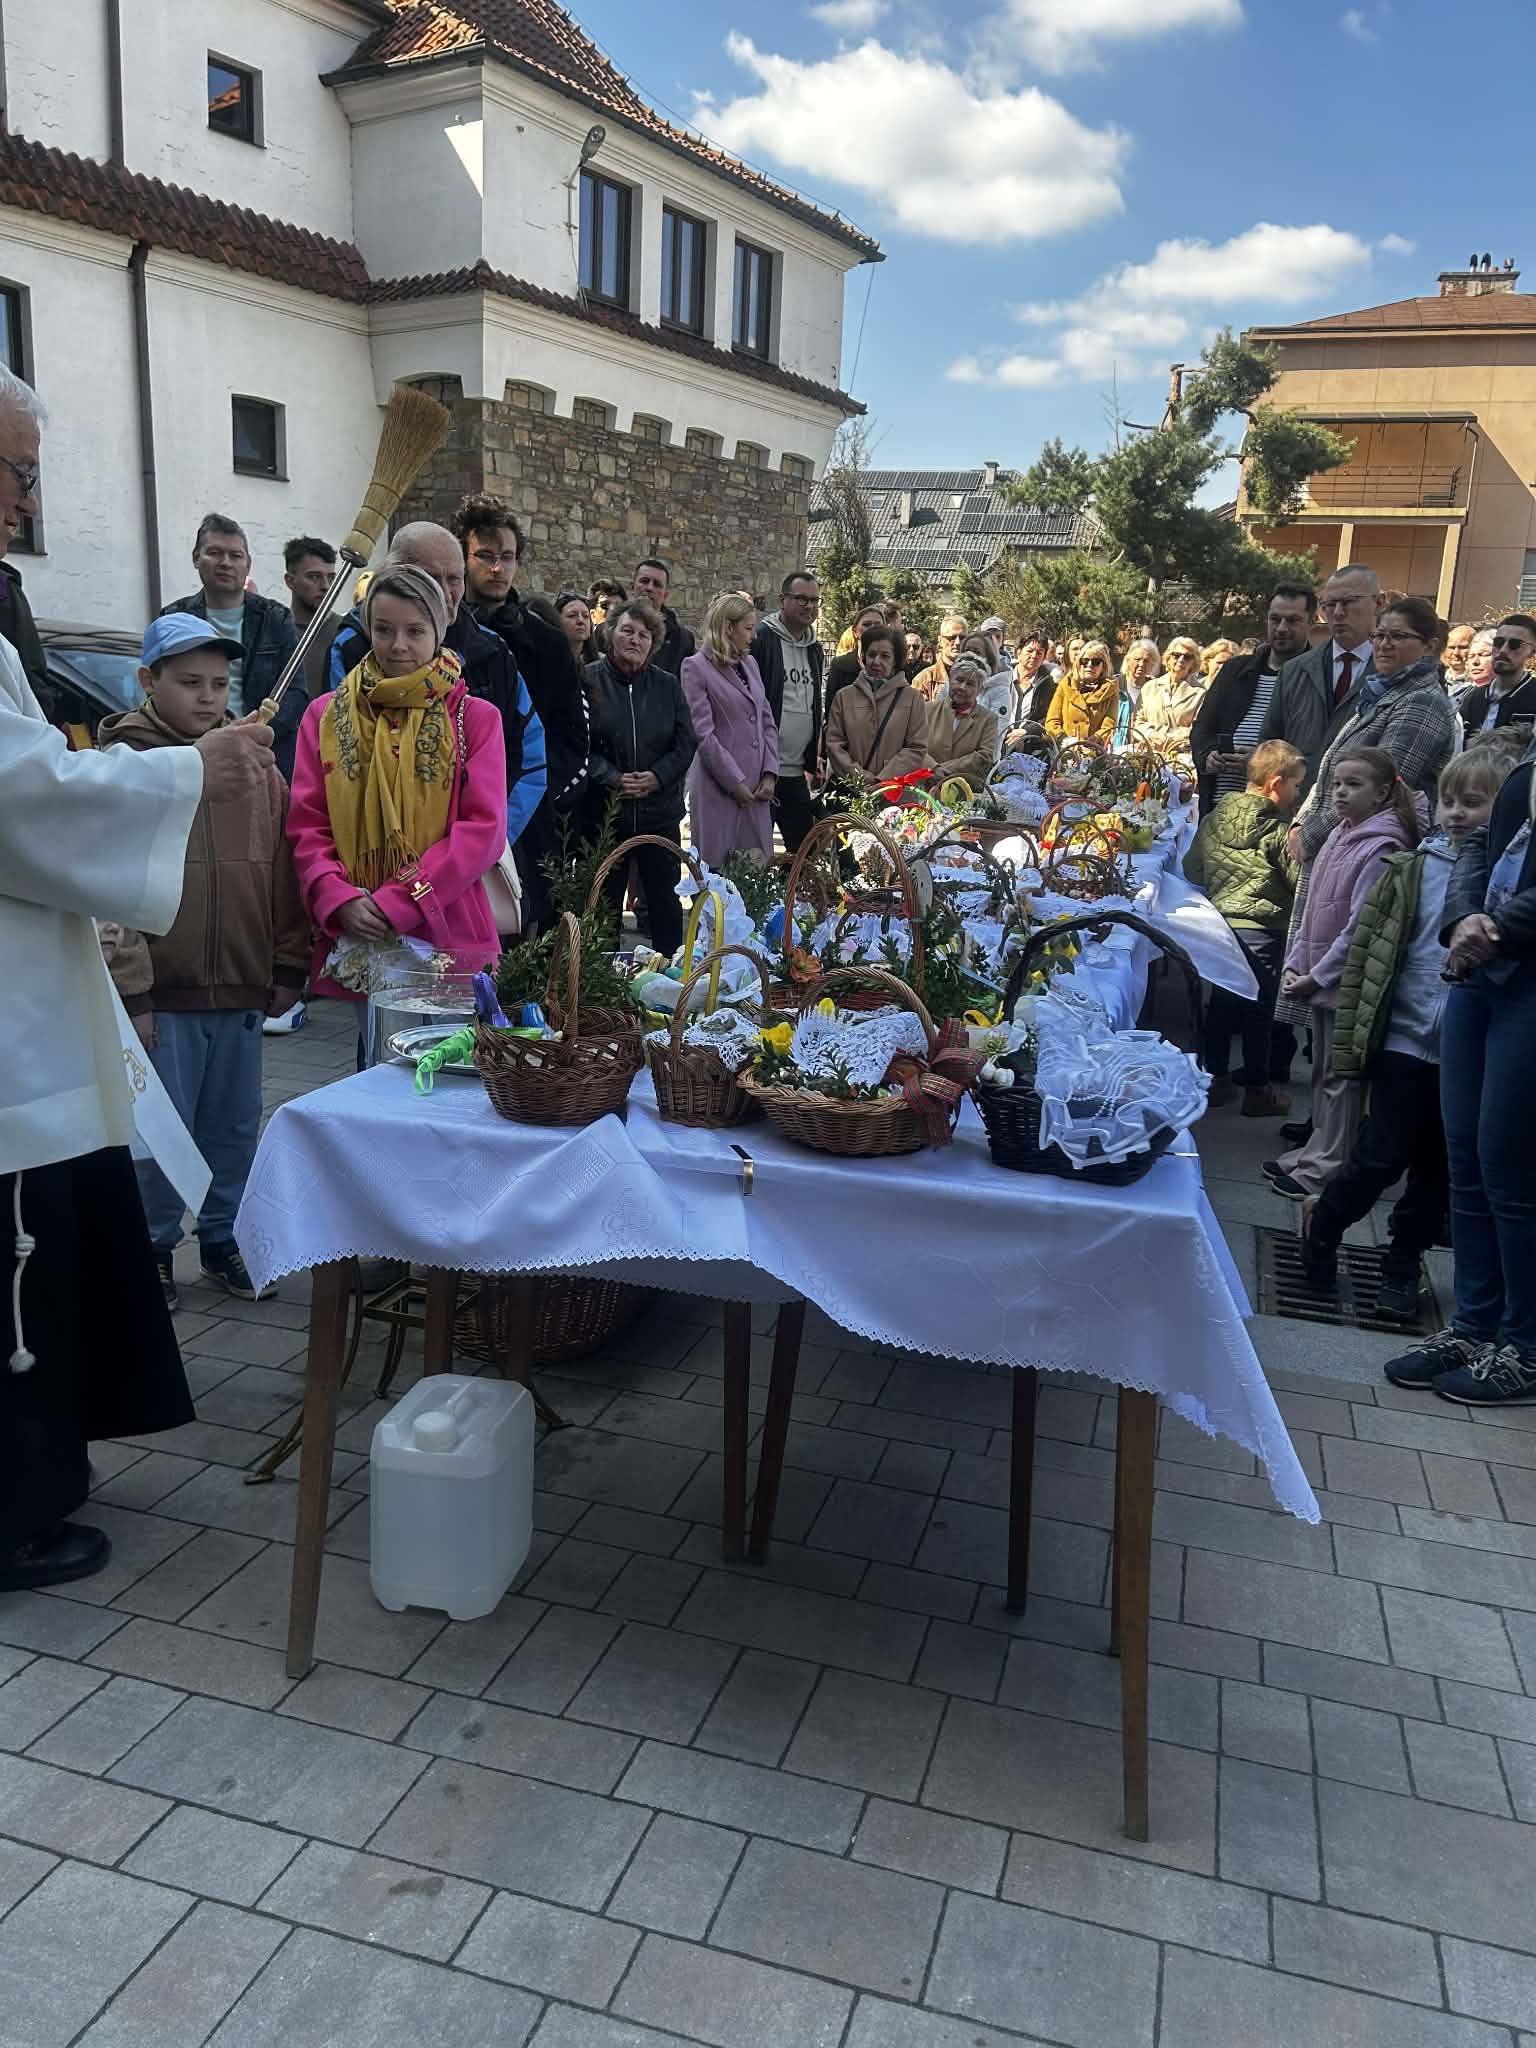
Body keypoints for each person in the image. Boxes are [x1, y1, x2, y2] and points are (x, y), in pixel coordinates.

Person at [1, 361, 283, 1591]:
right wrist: (187, 772)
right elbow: (18, 794)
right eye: (16, 471)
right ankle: (11, 1512)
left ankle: (43, 1472)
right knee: (21, 1259)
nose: (27, 498)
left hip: (36, 986)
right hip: (10, 1021)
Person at [101, 616, 308, 1308]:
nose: (207, 697)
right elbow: (110, 885)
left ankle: (223, 1239)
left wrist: (287, 962)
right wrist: (132, 991)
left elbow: (282, 867)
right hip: (165, 992)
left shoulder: (255, 766)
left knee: (234, 1127)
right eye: (189, 682)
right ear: (148, 681)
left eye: (219, 684)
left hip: (242, 986)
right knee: (160, 1136)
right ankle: (153, 1248)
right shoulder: (127, 767)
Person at [1303, 747, 1509, 1318]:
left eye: (1474, 803)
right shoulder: (1411, 868)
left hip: (1467, 1045)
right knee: (1382, 1153)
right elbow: (1370, 947)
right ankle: (1325, 1223)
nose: (1457, 813)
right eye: (1448, 801)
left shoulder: (1506, 880)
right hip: (1405, 1033)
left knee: (1439, 1165)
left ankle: (1402, 1260)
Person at [1383, 734, 1536, 1400]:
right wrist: (1467, 917)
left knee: (1510, 1168)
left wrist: (1498, 925)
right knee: (1465, 1158)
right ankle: (1474, 1326)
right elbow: (1479, 844)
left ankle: (1525, 1344)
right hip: (1478, 969)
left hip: (1525, 972)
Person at [287, 566, 509, 1006]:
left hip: (448, 927)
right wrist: (337, 896)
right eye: (384, 629)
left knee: (448, 1047)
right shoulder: (327, 717)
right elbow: (308, 822)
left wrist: (403, 899)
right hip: (360, 927)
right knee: (373, 1046)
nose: (398, 645)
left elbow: (483, 830)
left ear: (439, 632)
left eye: (415, 630)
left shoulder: (476, 718)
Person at [1264, 747, 1423, 1199]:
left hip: (1347, 982)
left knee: (1342, 1078)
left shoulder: (1382, 845)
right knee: (1322, 1071)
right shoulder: (1340, 833)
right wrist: (1297, 962)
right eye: (1336, 783)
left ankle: (1329, 1166)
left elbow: (1359, 927)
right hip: (1318, 974)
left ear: (1382, 793)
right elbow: (1314, 907)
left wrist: (1319, 975)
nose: (1339, 792)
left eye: (1353, 785)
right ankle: (1316, 1151)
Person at [1290, 596, 1458, 874]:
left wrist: (1310, 835)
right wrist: (1301, 823)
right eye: (1379, 635)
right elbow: (1330, 775)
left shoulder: (1421, 702)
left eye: (1398, 636)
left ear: (1429, 646)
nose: (1383, 644)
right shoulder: (1382, 693)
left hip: (1366, 856)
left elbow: (1380, 789)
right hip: (1337, 846)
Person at [1184, 739, 1305, 1116]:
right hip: (1265, 928)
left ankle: (1216, 1078)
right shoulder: (1279, 830)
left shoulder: (1214, 818)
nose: (1298, 793)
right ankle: (1257, 1089)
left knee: (1221, 1003)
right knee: (1260, 1010)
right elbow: (1298, 881)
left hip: (1222, 926)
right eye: (1297, 785)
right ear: (1276, 783)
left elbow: (1192, 869)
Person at [448, 495, 586, 821]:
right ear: (463, 559)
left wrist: (533, 798)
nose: (497, 568)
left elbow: (571, 737)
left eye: (507, 557)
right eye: (485, 556)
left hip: (528, 816)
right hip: (450, 809)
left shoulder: (548, 642)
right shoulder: (442, 635)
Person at [585, 599, 696, 954]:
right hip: (605, 816)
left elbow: (685, 742)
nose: (635, 639)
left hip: (658, 815)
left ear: (653, 643)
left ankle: (672, 976)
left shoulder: (668, 686)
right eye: (627, 631)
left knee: (665, 906)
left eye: (644, 635)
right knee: (603, 910)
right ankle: (600, 978)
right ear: (610, 633)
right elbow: (577, 744)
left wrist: (656, 777)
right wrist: (612, 777)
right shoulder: (588, 680)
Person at [161, 514, 301, 777]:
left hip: (262, 757)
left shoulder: (276, 619)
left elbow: (296, 693)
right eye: (214, 553)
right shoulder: (174, 618)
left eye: (235, 555)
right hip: (191, 756)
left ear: (248, 564)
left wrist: (252, 731)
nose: (225, 562)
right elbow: (159, 692)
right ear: (196, 558)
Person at [1191, 585, 1317, 813]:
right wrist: (1207, 756)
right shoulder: (1235, 670)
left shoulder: (1317, 678)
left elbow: (1313, 752)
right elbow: (1202, 728)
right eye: (1275, 619)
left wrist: (1262, 765)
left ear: (1311, 623)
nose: (1282, 628)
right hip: (1220, 808)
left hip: (1275, 814)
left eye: (1292, 621)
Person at [1259, 565, 1386, 791]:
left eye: (1348, 602)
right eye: (1330, 604)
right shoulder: (1295, 670)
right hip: (1297, 803)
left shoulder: (1394, 673)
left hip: (1363, 805)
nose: (1338, 613)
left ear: (1378, 603)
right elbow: (1270, 746)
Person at [680, 592, 777, 867]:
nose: (754, 636)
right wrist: (734, 783)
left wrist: (770, 773)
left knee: (756, 874)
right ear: (728, 628)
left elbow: (766, 721)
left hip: (757, 790)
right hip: (719, 789)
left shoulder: (751, 664)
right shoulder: (695, 667)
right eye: (749, 628)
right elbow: (703, 733)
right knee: (718, 877)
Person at [752, 570, 826, 855]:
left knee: (803, 855)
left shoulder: (815, 649)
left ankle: (793, 888)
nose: (809, 606)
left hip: (796, 771)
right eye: (802, 599)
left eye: (815, 600)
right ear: (782, 600)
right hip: (763, 770)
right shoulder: (761, 639)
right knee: (755, 855)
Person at [824, 623, 931, 789]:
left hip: (896, 794)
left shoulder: (912, 698)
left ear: (895, 660)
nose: (876, 661)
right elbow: (834, 744)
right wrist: (860, 778)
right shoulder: (844, 697)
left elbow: (916, 748)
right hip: (853, 793)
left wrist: (883, 781)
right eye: (872, 654)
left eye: (885, 656)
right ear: (864, 657)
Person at [927, 651, 1000, 786]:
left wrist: (944, 770)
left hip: (964, 788)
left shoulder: (988, 720)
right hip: (924, 783)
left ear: (979, 689)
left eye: (970, 684)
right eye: (959, 680)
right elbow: (913, 746)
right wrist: (932, 767)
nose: (962, 687)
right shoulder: (927, 710)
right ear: (950, 680)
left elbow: (984, 756)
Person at [1457, 614, 1536, 736]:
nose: (1503, 650)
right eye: (1498, 642)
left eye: (1515, 644)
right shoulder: (1473, 697)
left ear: (1532, 652)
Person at [284, 535, 341, 702]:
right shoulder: (276, 633)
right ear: (290, 581)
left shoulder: (344, 632)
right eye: (314, 577)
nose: (326, 586)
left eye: (331, 577)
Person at [1136, 637, 1205, 751]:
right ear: (1168, 658)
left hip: (1180, 755)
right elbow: (1138, 721)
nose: (1181, 660)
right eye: (1176, 655)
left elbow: (1199, 729)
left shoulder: (1200, 693)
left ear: (1193, 663)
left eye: (1187, 657)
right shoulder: (1149, 687)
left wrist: (1168, 739)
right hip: (1149, 753)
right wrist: (1150, 734)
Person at [1045, 641, 1120, 743]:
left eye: (1095, 662)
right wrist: (1064, 740)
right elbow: (1052, 721)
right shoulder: (1066, 684)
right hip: (1065, 748)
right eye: (1085, 661)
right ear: (1079, 663)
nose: (1089, 665)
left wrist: (1091, 742)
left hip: (1094, 748)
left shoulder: (1110, 689)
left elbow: (1109, 726)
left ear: (1104, 666)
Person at [632, 558, 695, 677]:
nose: (649, 588)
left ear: (665, 595)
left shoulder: (682, 640)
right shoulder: (611, 628)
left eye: (657, 584)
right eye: (644, 581)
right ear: (632, 586)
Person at [826, 604, 886, 703]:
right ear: (855, 631)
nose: (872, 628)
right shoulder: (840, 665)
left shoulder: (895, 666)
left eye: (878, 625)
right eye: (866, 624)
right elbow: (831, 704)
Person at [912, 614, 968, 703]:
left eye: (962, 638)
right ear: (940, 640)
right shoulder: (924, 679)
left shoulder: (975, 677)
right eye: (952, 637)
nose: (957, 642)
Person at [554, 588, 596, 667]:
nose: (580, 621)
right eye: (572, 615)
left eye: (585, 616)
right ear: (557, 621)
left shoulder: (601, 663)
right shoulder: (544, 661)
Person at [1444, 622, 1475, 689]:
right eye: (1452, 647)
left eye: (1462, 647)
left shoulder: (1480, 684)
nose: (1456, 653)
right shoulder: (1436, 679)